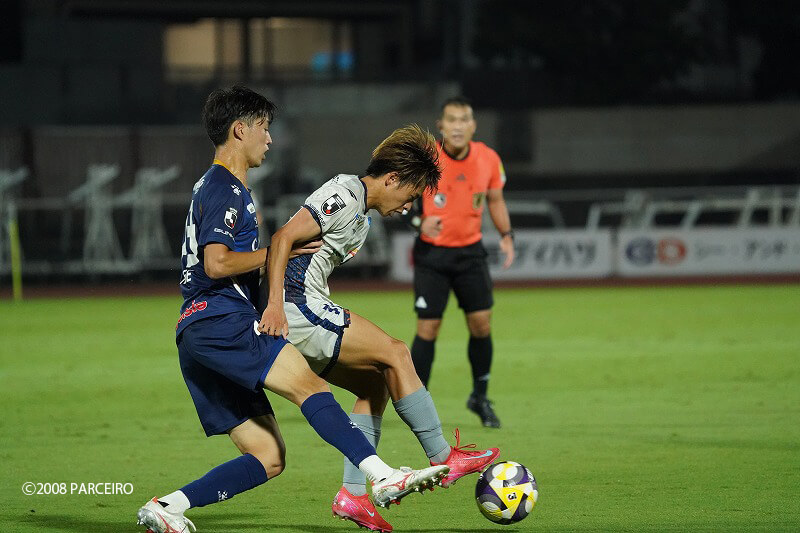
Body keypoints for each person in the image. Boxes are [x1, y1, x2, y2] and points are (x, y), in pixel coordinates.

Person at [135, 87, 448, 533]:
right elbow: (216, 264)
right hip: (224, 318)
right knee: (310, 386)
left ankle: (168, 506)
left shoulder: (215, 186)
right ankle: (382, 476)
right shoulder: (224, 186)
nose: (269, 139)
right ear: (239, 130)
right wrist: (274, 256)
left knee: (268, 457)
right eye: (263, 128)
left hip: (195, 331)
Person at [259, 124, 500, 533]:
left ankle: (353, 495)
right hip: (296, 308)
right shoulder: (344, 195)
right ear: (391, 179)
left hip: (304, 307)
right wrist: (274, 306)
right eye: (410, 195)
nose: (408, 206)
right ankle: (443, 456)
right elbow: (282, 237)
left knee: (374, 384)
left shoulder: (363, 217)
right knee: (396, 351)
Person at [408, 96, 514, 429]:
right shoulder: (425, 158)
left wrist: (507, 234)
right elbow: (397, 199)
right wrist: (418, 222)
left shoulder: (488, 158)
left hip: (471, 254)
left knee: (482, 325)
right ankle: (417, 402)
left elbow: (496, 200)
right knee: (428, 329)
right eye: (451, 120)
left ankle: (480, 397)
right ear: (440, 126)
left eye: (463, 119)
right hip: (432, 256)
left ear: (473, 125)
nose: (457, 126)